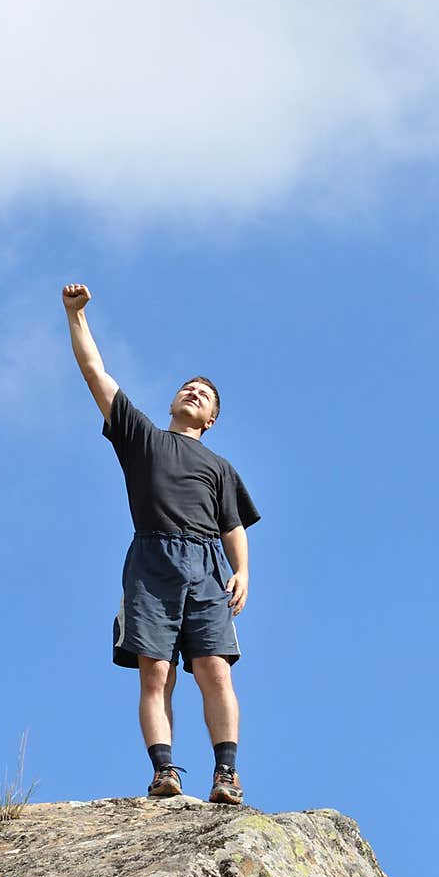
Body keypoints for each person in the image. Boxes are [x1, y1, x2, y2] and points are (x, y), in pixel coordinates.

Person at [62, 281, 261, 806]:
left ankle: (226, 774)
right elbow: (95, 375)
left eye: (205, 394)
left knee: (215, 669)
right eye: (187, 387)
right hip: (151, 560)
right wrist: (75, 316)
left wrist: (242, 570)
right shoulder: (142, 438)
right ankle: (165, 771)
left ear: (211, 418)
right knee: (157, 672)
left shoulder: (220, 467)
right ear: (173, 402)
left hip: (206, 566)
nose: (194, 392)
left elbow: (233, 525)